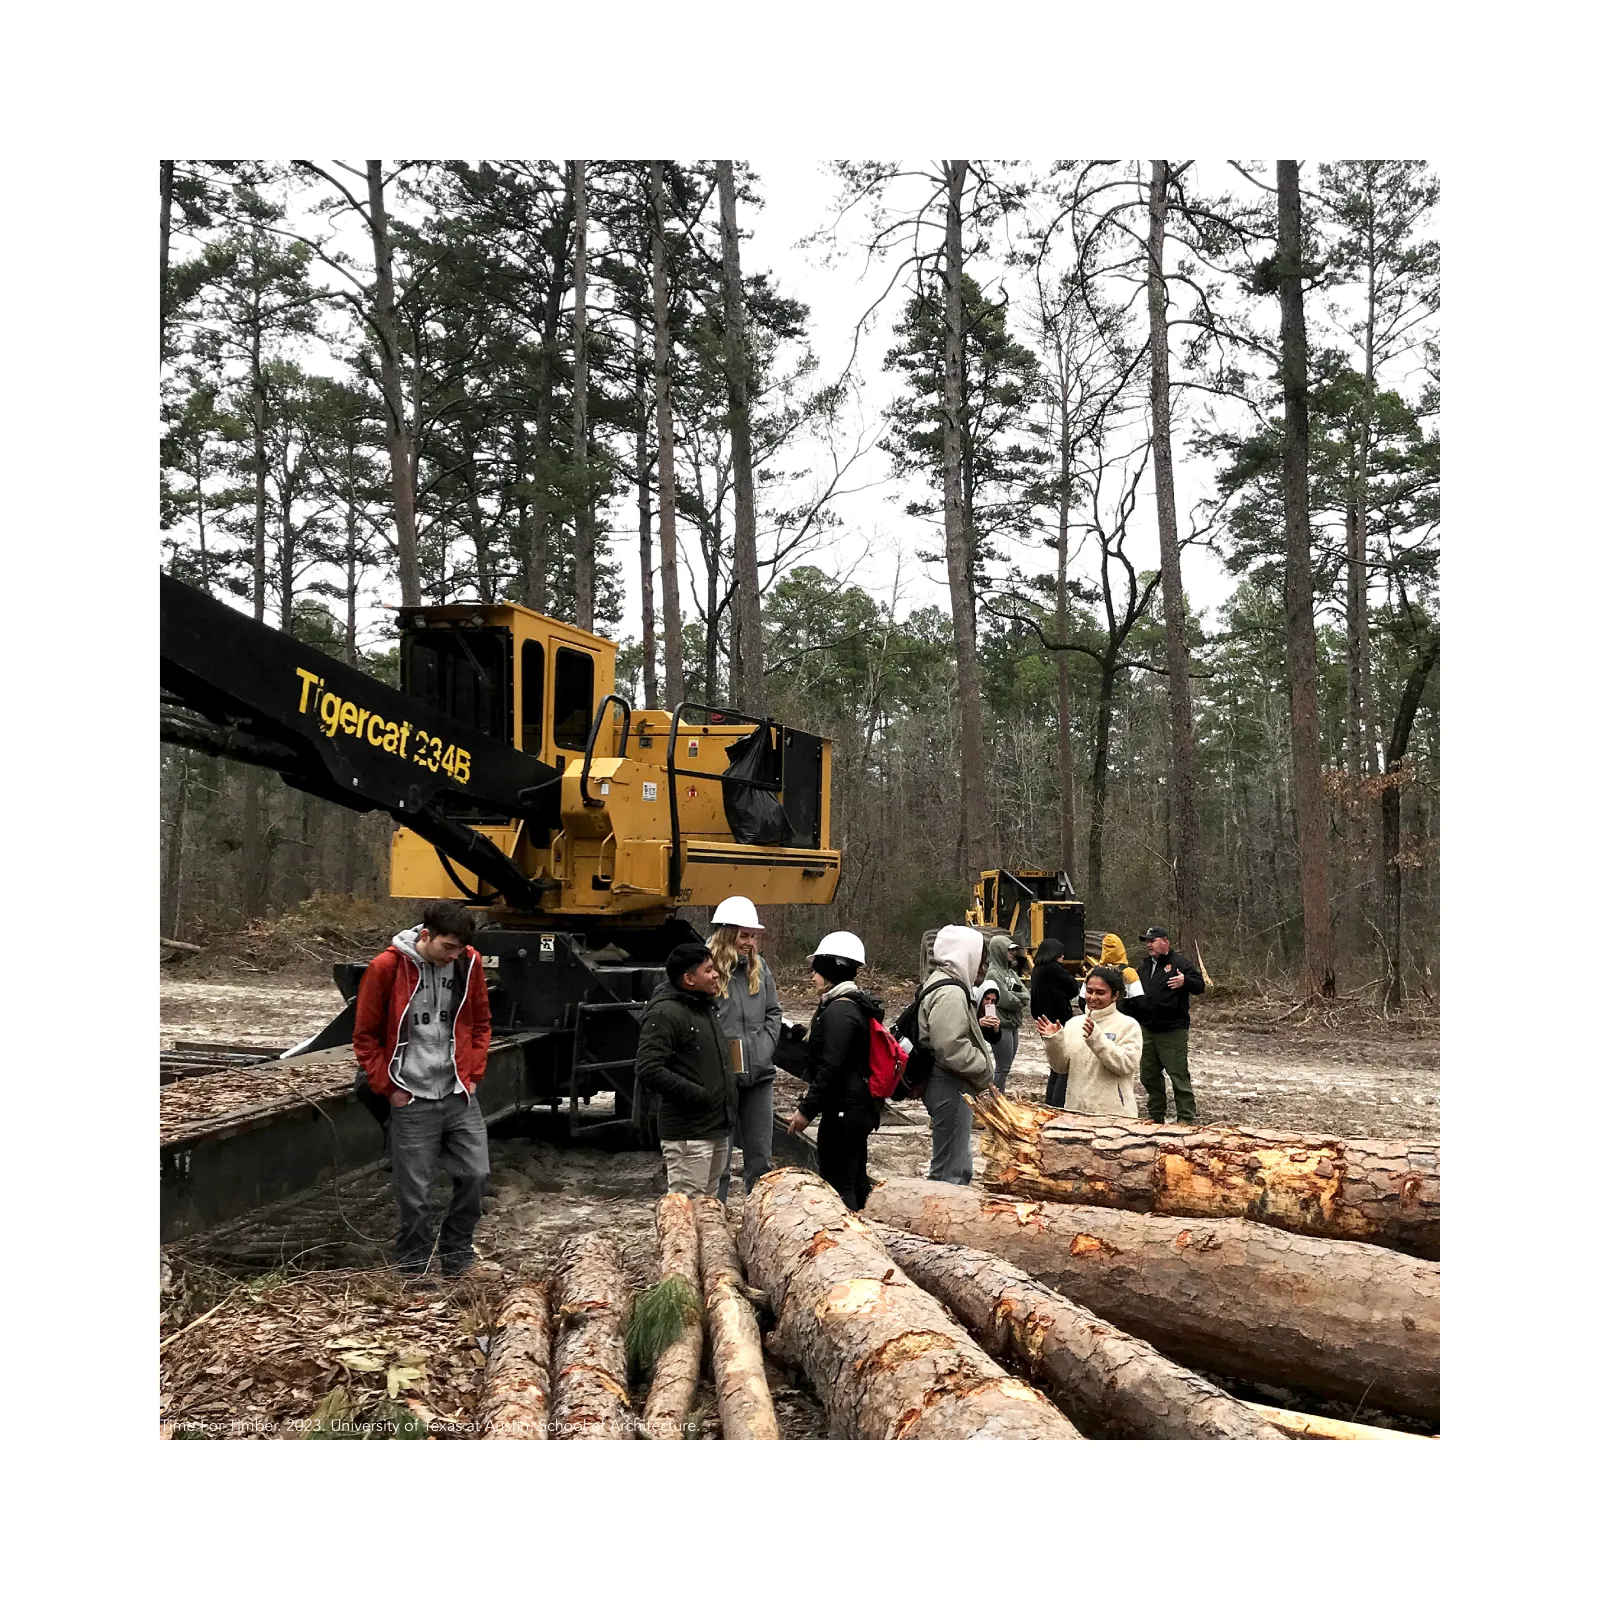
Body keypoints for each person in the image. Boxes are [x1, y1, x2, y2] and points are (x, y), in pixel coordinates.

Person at [353, 900, 493, 1279]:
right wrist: (388, 1086)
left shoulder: (468, 963)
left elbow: (480, 1022)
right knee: (415, 1194)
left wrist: (473, 1074)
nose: (453, 956)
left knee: (476, 1175)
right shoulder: (386, 968)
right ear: (426, 936)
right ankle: (413, 1266)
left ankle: (457, 1254)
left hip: (458, 1091)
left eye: (459, 949)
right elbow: (365, 1036)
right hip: (410, 1093)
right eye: (447, 947)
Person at [785, 932, 882, 1210]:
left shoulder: (839, 1011)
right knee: (854, 1177)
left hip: (845, 1110)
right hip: (855, 1107)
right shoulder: (850, 1005)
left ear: (831, 969)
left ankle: (851, 1239)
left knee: (840, 1184)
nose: (812, 975)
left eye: (817, 968)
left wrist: (806, 1110)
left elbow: (831, 1067)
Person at [633, 942, 739, 1196]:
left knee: (708, 1209)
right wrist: (698, 1094)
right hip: (689, 1135)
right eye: (709, 970)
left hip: (715, 1127)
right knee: (686, 1209)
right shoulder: (665, 1012)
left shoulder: (703, 1007)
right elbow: (648, 1068)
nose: (716, 975)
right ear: (689, 979)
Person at [707, 896, 784, 1203]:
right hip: (721, 1080)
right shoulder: (707, 970)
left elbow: (774, 1013)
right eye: (744, 935)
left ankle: (759, 1220)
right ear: (726, 934)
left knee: (760, 1159)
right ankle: (717, 1218)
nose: (750, 942)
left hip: (759, 1076)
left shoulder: (759, 968)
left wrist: (763, 1049)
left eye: (753, 935)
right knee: (719, 1161)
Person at [920, 925, 994, 1185]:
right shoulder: (950, 992)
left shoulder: (944, 984)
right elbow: (951, 1047)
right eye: (980, 959)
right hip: (949, 1084)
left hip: (951, 1084)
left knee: (958, 1164)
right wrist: (984, 1069)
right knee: (947, 1171)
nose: (982, 967)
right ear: (966, 955)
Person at [1035, 964, 1143, 1116]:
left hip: (1114, 1115)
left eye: (1100, 992)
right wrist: (1054, 1041)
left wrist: (1097, 1039)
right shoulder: (1074, 1024)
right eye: (1089, 991)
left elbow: (1126, 1065)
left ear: (1115, 995)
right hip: (1076, 1112)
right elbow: (1061, 1067)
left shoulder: (1128, 1025)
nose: (1093, 997)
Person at [1134, 925, 1206, 1124]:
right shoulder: (1144, 966)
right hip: (1148, 1028)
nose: (1149, 944)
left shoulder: (1179, 963)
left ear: (1165, 941)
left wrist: (1186, 981)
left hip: (1172, 1029)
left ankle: (1185, 1117)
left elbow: (1200, 986)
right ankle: (1156, 1115)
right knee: (1148, 1075)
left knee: (1178, 1075)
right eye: (1147, 941)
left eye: (1152, 940)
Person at [1029, 938, 1081, 1109]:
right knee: (1064, 1068)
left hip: (1044, 1022)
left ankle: (1050, 1102)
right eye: (1060, 954)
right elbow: (1074, 987)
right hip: (1059, 1022)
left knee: (1054, 1065)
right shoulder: (1053, 969)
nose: (1063, 957)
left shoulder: (1037, 970)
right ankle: (1057, 1106)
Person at [979, 933, 1028, 1095]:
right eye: (1009, 950)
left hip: (1013, 1024)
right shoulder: (993, 974)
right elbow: (1005, 1000)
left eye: (1014, 950)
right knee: (1002, 1067)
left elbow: (1026, 994)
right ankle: (996, 1101)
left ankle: (999, 1098)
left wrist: (1017, 998)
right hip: (1001, 1025)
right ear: (999, 950)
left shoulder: (1010, 973)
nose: (1012, 953)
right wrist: (1017, 1000)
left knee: (1006, 1068)